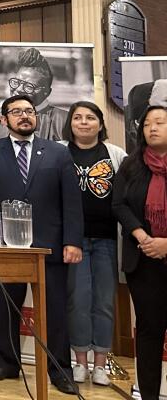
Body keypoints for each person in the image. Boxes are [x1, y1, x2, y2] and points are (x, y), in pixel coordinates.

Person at [0, 94, 83, 395]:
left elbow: (71, 201)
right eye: (17, 111)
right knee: (4, 308)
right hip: (5, 248)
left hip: (50, 247)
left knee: (55, 312)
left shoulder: (57, 153)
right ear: (3, 119)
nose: (25, 116)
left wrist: (72, 241)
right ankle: (6, 363)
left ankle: (60, 369)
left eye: (29, 111)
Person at [61, 101, 126, 386]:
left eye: (90, 117)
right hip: (72, 241)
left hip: (108, 240)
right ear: (70, 123)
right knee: (78, 301)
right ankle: (80, 363)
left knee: (103, 302)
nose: (84, 122)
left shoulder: (116, 155)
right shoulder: (58, 152)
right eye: (78, 117)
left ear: (100, 123)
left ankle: (101, 364)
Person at [112, 105, 167, 400]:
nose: (152, 128)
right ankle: (148, 395)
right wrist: (142, 236)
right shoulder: (131, 165)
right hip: (143, 260)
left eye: (160, 122)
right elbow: (118, 204)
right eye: (147, 124)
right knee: (149, 330)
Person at [0, 48, 68, 143]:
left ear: (46, 92)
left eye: (29, 86)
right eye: (16, 82)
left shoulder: (63, 122)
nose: (18, 89)